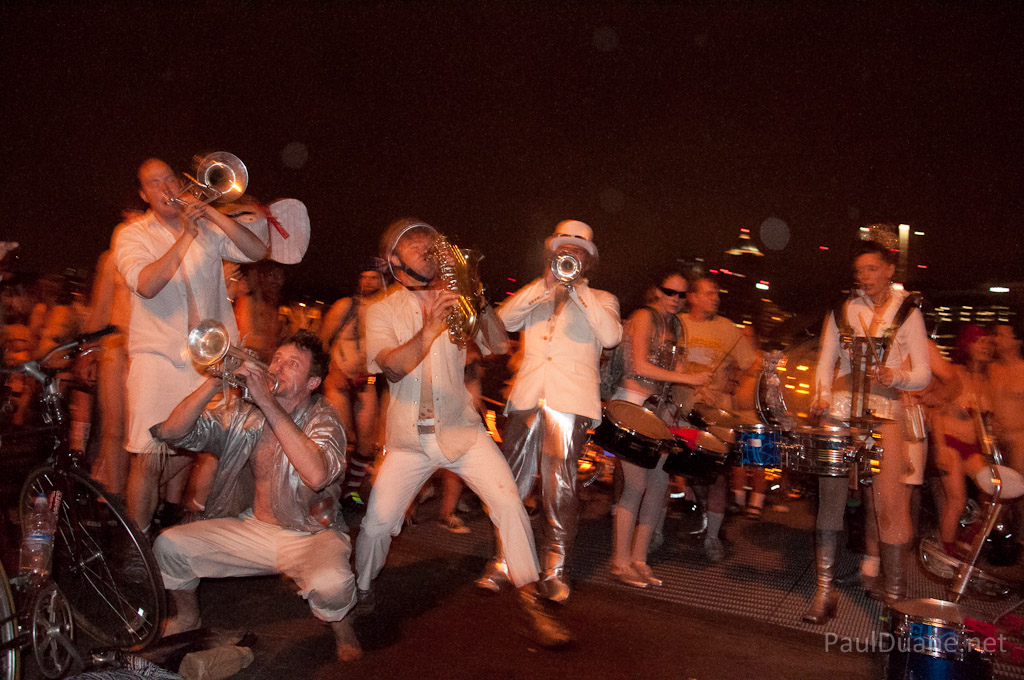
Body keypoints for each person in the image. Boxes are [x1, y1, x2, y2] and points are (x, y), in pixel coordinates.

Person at [355, 218, 570, 648]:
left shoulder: (456, 299)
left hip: (462, 430)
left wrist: (478, 299)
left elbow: (498, 345)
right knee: (377, 524)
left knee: (509, 504)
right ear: (394, 260)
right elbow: (392, 367)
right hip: (409, 441)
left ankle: (532, 601)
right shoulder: (380, 309)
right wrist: (431, 325)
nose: (428, 247)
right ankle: (360, 589)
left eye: (431, 241)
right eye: (415, 243)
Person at [151, 330, 361, 661]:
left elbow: (317, 475)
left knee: (333, 585)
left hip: (312, 534)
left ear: (312, 383)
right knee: (169, 547)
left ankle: (342, 624)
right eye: (276, 359)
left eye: (293, 364)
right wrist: (214, 381)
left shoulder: (326, 419)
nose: (277, 367)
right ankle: (188, 616)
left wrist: (266, 400)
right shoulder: (243, 412)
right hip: (253, 528)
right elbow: (172, 432)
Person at [114, 158, 267, 532]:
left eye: (169, 178)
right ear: (143, 195)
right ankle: (137, 544)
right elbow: (147, 284)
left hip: (210, 362)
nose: (166, 187)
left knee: (203, 447)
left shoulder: (208, 229)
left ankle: (173, 519)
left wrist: (210, 213)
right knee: (149, 456)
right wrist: (185, 235)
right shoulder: (131, 235)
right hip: (158, 360)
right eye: (154, 183)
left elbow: (257, 250)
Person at [476, 220, 622, 601]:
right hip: (526, 398)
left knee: (560, 488)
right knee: (510, 484)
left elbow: (611, 336)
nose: (568, 256)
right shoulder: (537, 291)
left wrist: (576, 290)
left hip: (570, 403)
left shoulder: (602, 299)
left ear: (588, 261)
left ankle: (555, 569)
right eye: (562, 250)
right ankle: (505, 562)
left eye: (577, 252)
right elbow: (501, 323)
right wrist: (545, 286)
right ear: (551, 255)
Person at [806, 238, 931, 623]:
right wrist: (821, 396)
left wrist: (897, 376)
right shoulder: (842, 309)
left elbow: (923, 373)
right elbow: (825, 362)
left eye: (872, 268)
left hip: (885, 410)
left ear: (889, 270)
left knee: (889, 505)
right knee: (830, 500)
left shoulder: (908, 312)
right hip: (840, 409)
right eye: (860, 270)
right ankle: (824, 591)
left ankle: (894, 601)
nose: (865, 276)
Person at [609, 272, 708, 587]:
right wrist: (688, 379)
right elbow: (639, 365)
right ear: (656, 290)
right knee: (635, 484)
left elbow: (677, 372)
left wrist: (694, 391)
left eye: (681, 294)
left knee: (658, 485)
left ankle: (639, 559)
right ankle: (619, 561)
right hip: (632, 404)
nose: (676, 299)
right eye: (670, 292)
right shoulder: (643, 316)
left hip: (657, 410)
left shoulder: (675, 326)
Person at [675, 276, 755, 563]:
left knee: (717, 476)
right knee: (689, 472)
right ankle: (699, 516)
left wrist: (734, 380)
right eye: (709, 293)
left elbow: (750, 362)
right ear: (692, 297)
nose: (716, 298)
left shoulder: (727, 328)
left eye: (717, 294)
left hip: (717, 416)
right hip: (682, 411)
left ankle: (712, 538)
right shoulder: (678, 323)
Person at [320, 262, 387, 509]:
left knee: (367, 444)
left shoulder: (385, 313)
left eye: (373, 277)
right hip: (338, 379)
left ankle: (350, 493)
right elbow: (322, 341)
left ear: (383, 281)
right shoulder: (345, 306)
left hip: (366, 380)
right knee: (338, 439)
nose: (367, 282)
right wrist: (333, 370)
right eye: (364, 277)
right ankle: (327, 495)